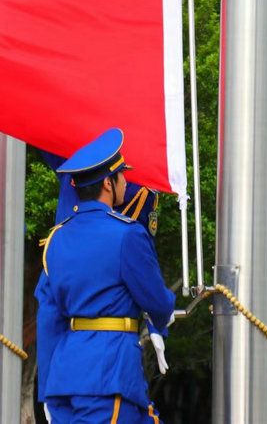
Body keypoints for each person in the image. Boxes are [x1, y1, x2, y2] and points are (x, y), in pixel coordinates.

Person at [36, 128, 175, 423]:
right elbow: (158, 302)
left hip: (65, 375)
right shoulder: (127, 234)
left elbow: (49, 316)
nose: (126, 181)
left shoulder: (57, 238)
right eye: (122, 175)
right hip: (108, 373)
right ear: (108, 183)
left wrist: (46, 389)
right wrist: (162, 316)